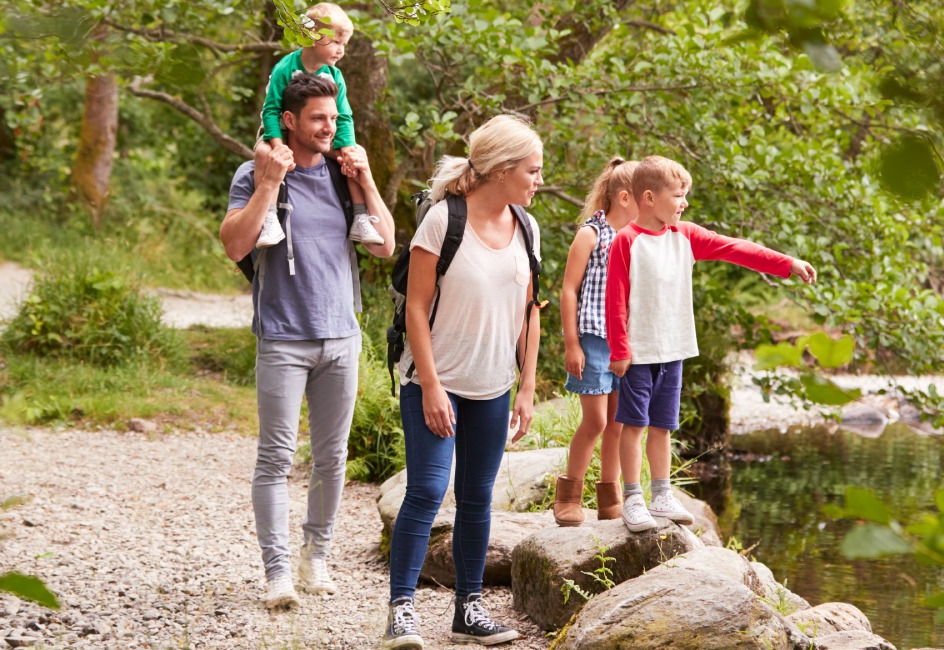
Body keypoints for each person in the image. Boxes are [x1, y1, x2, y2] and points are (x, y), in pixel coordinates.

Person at [220, 72, 396, 609]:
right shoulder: (253, 174)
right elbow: (233, 246)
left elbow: (386, 246)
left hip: (341, 337)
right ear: (290, 120)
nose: (329, 127)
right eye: (318, 118)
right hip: (282, 337)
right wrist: (271, 184)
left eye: (334, 117)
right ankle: (277, 573)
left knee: (332, 457)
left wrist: (366, 181)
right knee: (274, 458)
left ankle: (315, 555)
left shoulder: (345, 178)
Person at [383, 115, 543, 649]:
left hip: (494, 385)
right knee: (428, 490)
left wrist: (526, 386)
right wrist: (429, 386)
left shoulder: (527, 226)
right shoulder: (442, 221)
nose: (538, 180)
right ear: (500, 170)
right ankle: (401, 611)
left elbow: (530, 310)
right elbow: (417, 308)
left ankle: (467, 611)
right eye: (532, 170)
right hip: (436, 379)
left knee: (477, 496)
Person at [605, 155, 817, 533]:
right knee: (632, 425)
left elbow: (735, 248)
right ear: (650, 198)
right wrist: (619, 350)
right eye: (678, 195)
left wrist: (787, 263)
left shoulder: (684, 235)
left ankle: (661, 495)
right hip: (639, 354)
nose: (684, 202)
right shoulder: (627, 241)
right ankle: (632, 498)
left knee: (662, 426)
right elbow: (615, 299)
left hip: (674, 350)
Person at [551, 157, 641, 527]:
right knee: (596, 421)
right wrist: (572, 344)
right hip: (593, 340)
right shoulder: (592, 234)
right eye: (645, 196)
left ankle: (610, 498)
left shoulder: (638, 236)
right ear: (624, 197)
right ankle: (568, 496)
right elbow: (569, 290)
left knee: (619, 422)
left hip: (627, 343)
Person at [254, 2, 383, 250]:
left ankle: (360, 216)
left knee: (354, 157)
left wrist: (346, 147)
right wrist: (279, 146)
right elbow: (271, 110)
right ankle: (269, 217)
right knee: (263, 153)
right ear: (313, 38)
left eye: (344, 44)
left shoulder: (335, 76)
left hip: (322, 135)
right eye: (336, 42)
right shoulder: (285, 68)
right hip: (279, 131)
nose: (341, 50)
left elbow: (344, 116)